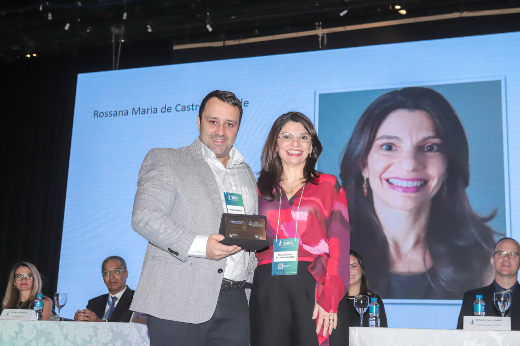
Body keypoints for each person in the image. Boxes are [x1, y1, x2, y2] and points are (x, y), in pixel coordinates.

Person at [339, 87, 496, 299]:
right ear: (363, 164)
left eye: (430, 148)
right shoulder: (327, 253)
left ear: (448, 165)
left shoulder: (486, 260)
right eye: (388, 146)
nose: (410, 164)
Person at [131, 90, 257, 346]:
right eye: (213, 121)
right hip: (179, 297)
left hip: (236, 302)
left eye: (229, 124)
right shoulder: (167, 159)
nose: (221, 130)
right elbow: (145, 216)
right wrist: (201, 246)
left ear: (238, 128)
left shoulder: (246, 172)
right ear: (198, 122)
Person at [251, 111, 350, 346]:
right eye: (287, 136)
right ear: (275, 144)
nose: (295, 143)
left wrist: (331, 298)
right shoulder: (258, 189)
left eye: (303, 137)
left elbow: (340, 249)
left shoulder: (328, 185)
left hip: (315, 285)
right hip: (268, 286)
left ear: (311, 145)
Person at [457, 237, 520, 329]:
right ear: (492, 261)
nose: (506, 258)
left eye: (513, 254)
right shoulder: (472, 297)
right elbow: (461, 339)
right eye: (501, 253)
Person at [332, 250, 387, 337]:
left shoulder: (373, 301)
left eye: (353, 266)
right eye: (345, 267)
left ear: (362, 269)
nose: (349, 271)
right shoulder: (335, 301)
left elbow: (382, 334)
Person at [74, 256, 134, 322]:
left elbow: (136, 327)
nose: (111, 276)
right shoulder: (94, 303)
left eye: (116, 271)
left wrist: (100, 322)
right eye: (107, 272)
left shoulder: (137, 300)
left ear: (125, 274)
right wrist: (80, 320)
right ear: (103, 278)